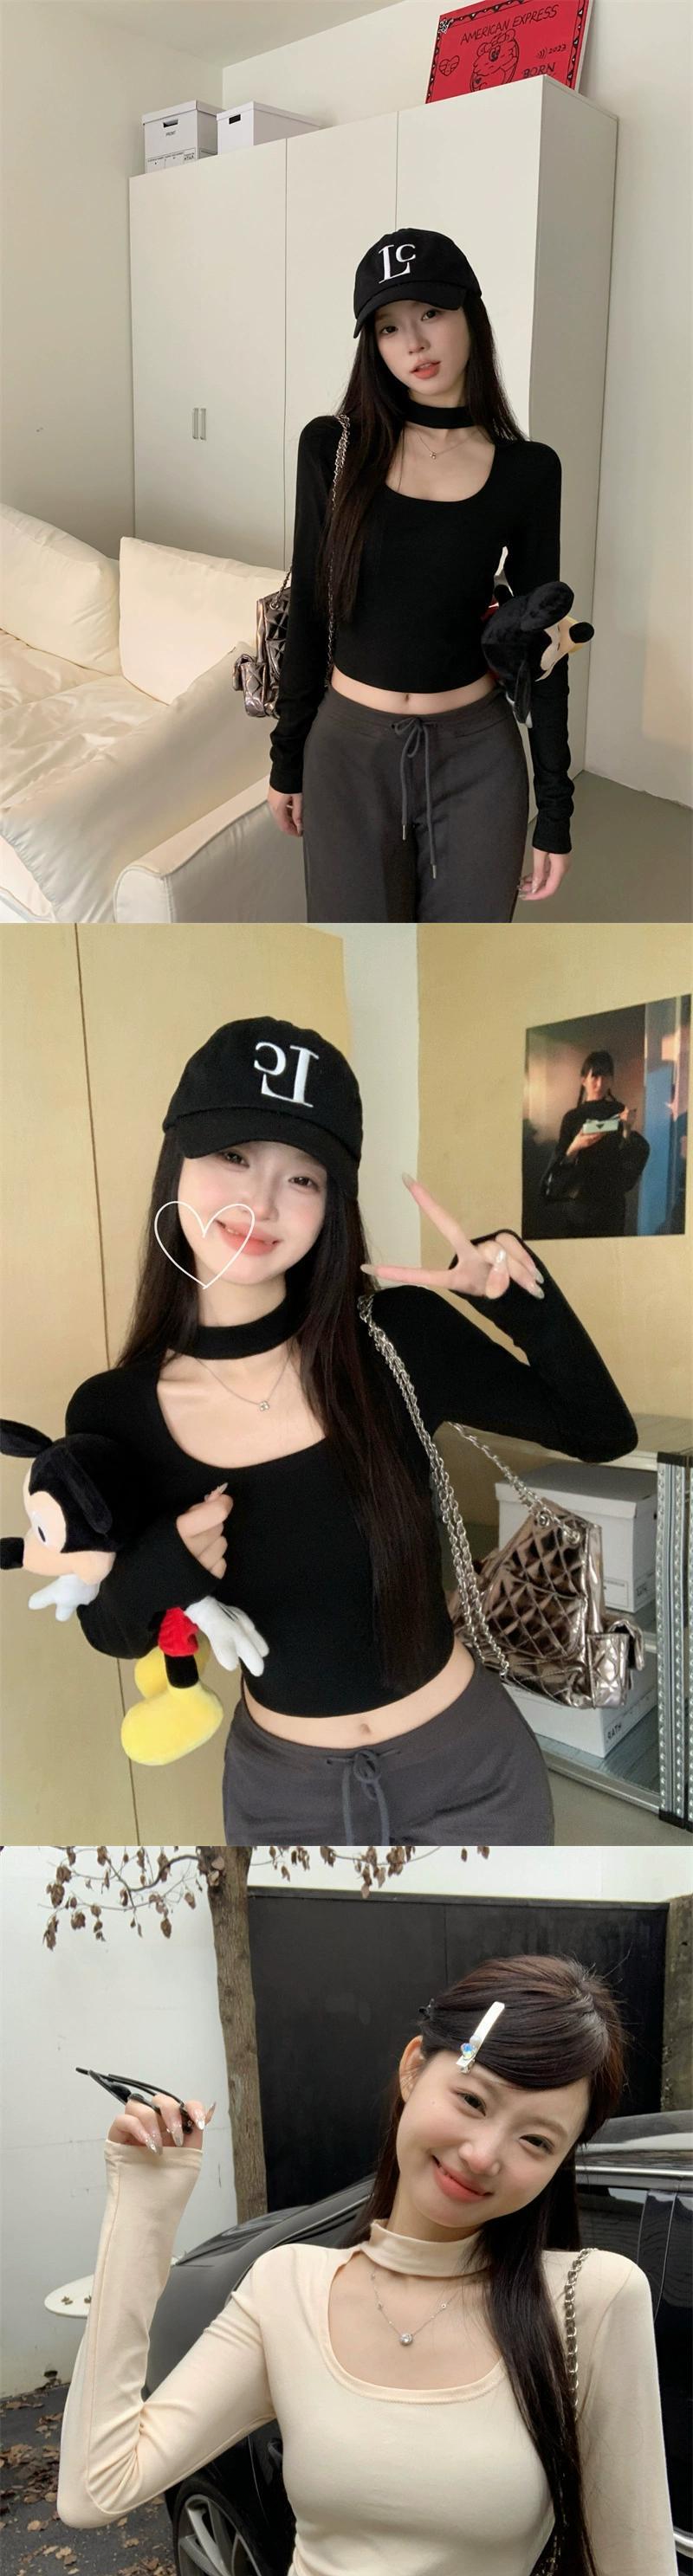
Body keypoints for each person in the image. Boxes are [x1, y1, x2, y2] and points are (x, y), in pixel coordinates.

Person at [56, 1953, 693, 2576]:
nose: (483, 2153)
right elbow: (96, 2487)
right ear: (413, 2068)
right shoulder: (288, 2285)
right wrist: (145, 2205)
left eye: (536, 2140)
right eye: (472, 2100)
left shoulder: (590, 2302)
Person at [62, 1014, 637, 1851]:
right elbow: (113, 1629)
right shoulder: (113, 1411)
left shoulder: (396, 1337)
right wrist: (165, 1564)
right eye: (235, 1156)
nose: (262, 1203)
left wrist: (523, 1303)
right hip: (283, 1799)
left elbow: (600, 1431)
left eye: (303, 1177)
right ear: (177, 1159)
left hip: (472, 1775)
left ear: (332, 1203)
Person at [268, 227, 575, 922]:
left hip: (477, 756)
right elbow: (311, 607)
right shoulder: (333, 449)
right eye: (388, 327)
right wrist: (288, 758)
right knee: (361, 962)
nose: (413, 343)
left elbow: (544, 647)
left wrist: (556, 808)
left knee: (459, 967)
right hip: (347, 750)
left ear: (471, 312)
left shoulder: (528, 470)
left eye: (431, 313)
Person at [540, 1049, 650, 1237]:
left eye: (606, 1077)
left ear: (612, 1080)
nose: (600, 1083)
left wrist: (627, 1129)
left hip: (610, 1202)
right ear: (583, 1080)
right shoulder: (573, 1117)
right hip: (578, 1202)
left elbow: (630, 1155)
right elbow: (560, 1162)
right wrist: (576, 1145)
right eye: (595, 1077)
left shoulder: (619, 1111)